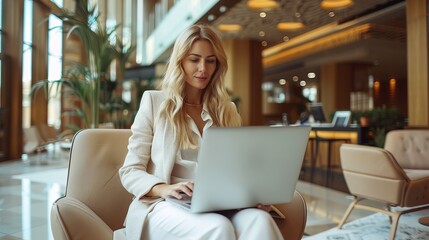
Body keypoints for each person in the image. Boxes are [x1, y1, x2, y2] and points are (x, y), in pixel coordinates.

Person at [119, 24, 284, 240]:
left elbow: (238, 171)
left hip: (218, 204)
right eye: (194, 59)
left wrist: (252, 194)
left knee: (261, 221)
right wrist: (164, 188)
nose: (203, 69)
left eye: (210, 60)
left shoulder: (227, 111)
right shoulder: (154, 102)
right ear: (180, 61)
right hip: (163, 204)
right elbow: (130, 171)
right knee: (218, 227)